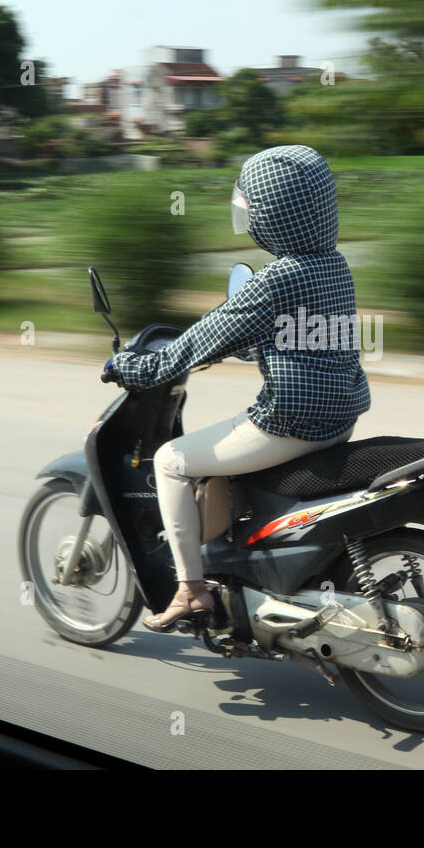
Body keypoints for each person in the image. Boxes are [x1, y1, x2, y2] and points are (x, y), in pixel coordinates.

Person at [100, 144, 371, 631]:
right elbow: (301, 338)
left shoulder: (276, 279)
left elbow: (192, 345)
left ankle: (190, 591)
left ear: (275, 214)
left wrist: (133, 368)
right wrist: (250, 347)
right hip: (340, 420)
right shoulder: (334, 264)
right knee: (220, 466)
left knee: (172, 461)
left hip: (290, 424)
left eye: (251, 209)